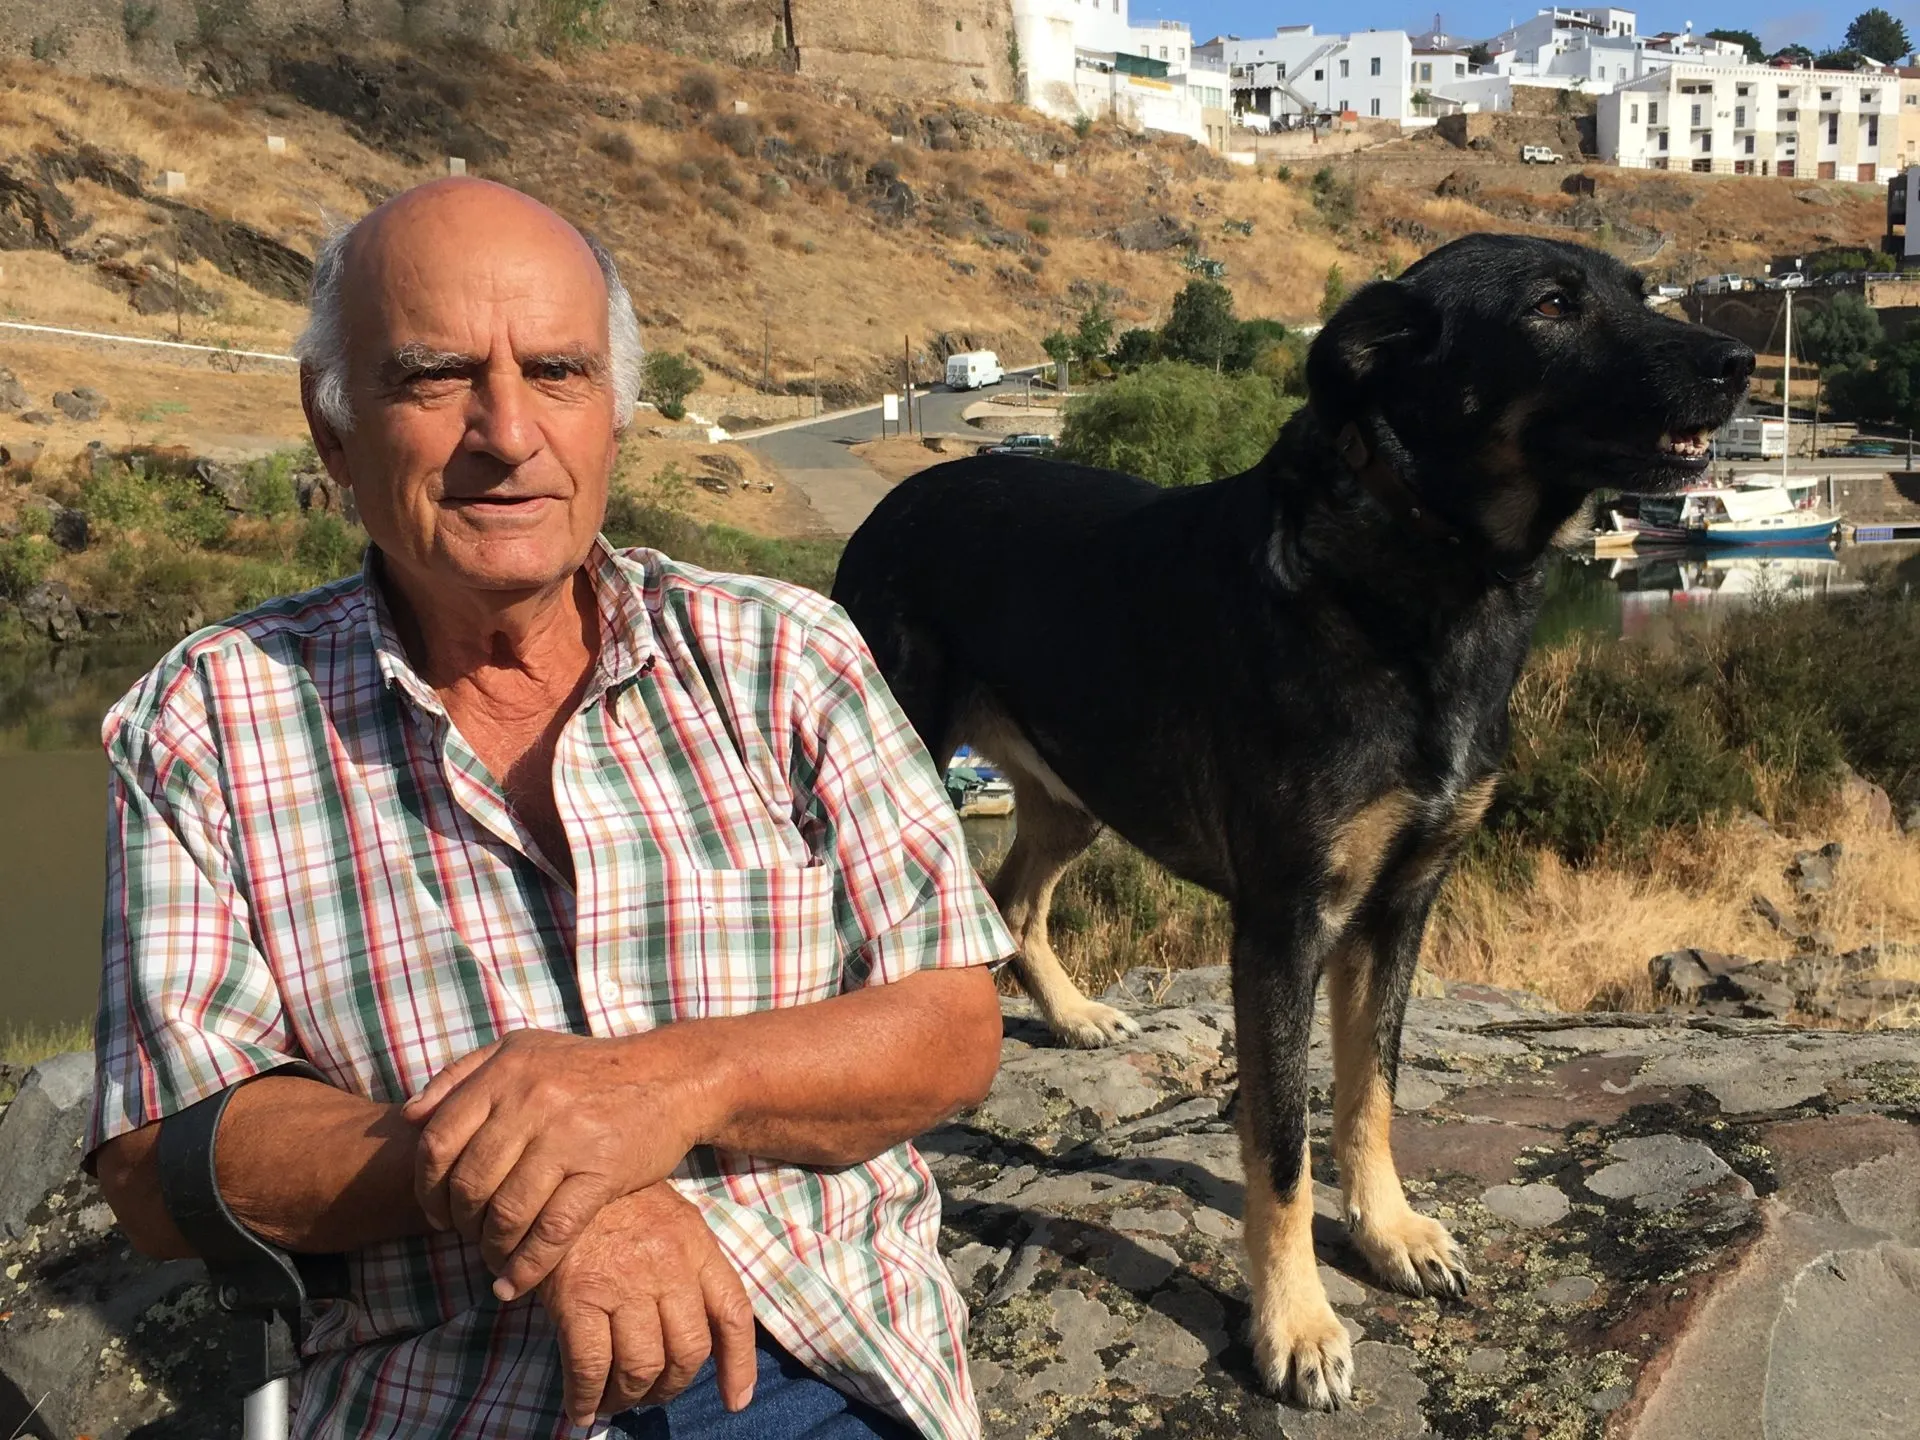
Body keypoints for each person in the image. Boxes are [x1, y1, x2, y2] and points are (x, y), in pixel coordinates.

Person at [86, 178, 1014, 1440]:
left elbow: (951, 1022)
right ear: (333, 424)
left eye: (560, 372)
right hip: (447, 1394)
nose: (508, 430)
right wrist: (538, 1183)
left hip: (811, 1375)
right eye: (435, 376)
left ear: (615, 418)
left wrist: (665, 1090)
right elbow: (159, 1164)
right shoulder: (207, 717)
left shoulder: (785, 655)